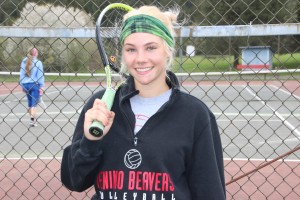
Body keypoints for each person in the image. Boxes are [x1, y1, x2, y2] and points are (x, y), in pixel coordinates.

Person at [61, 5, 226, 200]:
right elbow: (74, 181)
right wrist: (90, 141)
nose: (140, 59)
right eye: (131, 49)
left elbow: (210, 192)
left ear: (167, 49)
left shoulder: (195, 115)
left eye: (151, 48)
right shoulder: (100, 107)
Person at [19, 47, 45, 127]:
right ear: (36, 53)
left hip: (26, 85)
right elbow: (40, 76)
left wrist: (22, 84)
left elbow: (21, 74)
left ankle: (31, 119)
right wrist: (41, 86)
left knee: (30, 103)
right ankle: (32, 120)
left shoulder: (24, 61)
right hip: (34, 85)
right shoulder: (38, 62)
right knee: (34, 104)